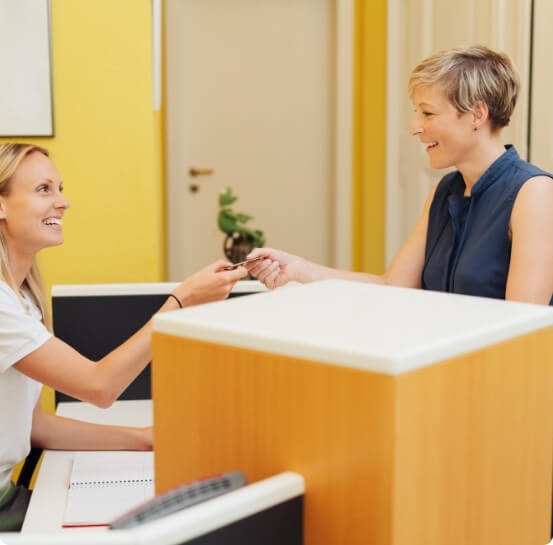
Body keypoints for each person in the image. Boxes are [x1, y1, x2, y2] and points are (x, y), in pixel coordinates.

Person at [0, 142, 248, 531]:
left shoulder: (24, 296)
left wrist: (142, 438)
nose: (63, 202)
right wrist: (180, 302)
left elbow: (36, 428)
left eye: (60, 188)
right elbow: (98, 387)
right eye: (44, 189)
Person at [247, 45, 553, 306]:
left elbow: (522, 326)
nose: (414, 127)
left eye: (428, 113)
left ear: (477, 115)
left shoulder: (534, 194)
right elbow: (393, 286)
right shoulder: (445, 191)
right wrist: (298, 269)